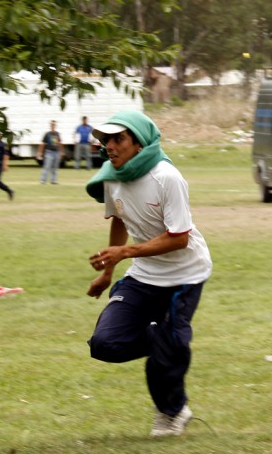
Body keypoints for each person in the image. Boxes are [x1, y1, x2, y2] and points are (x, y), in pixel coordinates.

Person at [82, 110, 212, 437]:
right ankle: (167, 342)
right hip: (143, 274)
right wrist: (108, 273)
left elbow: (179, 237)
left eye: (118, 139)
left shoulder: (166, 177)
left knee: (164, 354)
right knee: (104, 343)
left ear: (139, 143)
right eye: (105, 140)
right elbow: (120, 220)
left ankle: (171, 412)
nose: (109, 146)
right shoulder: (113, 177)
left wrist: (125, 253)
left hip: (185, 274)